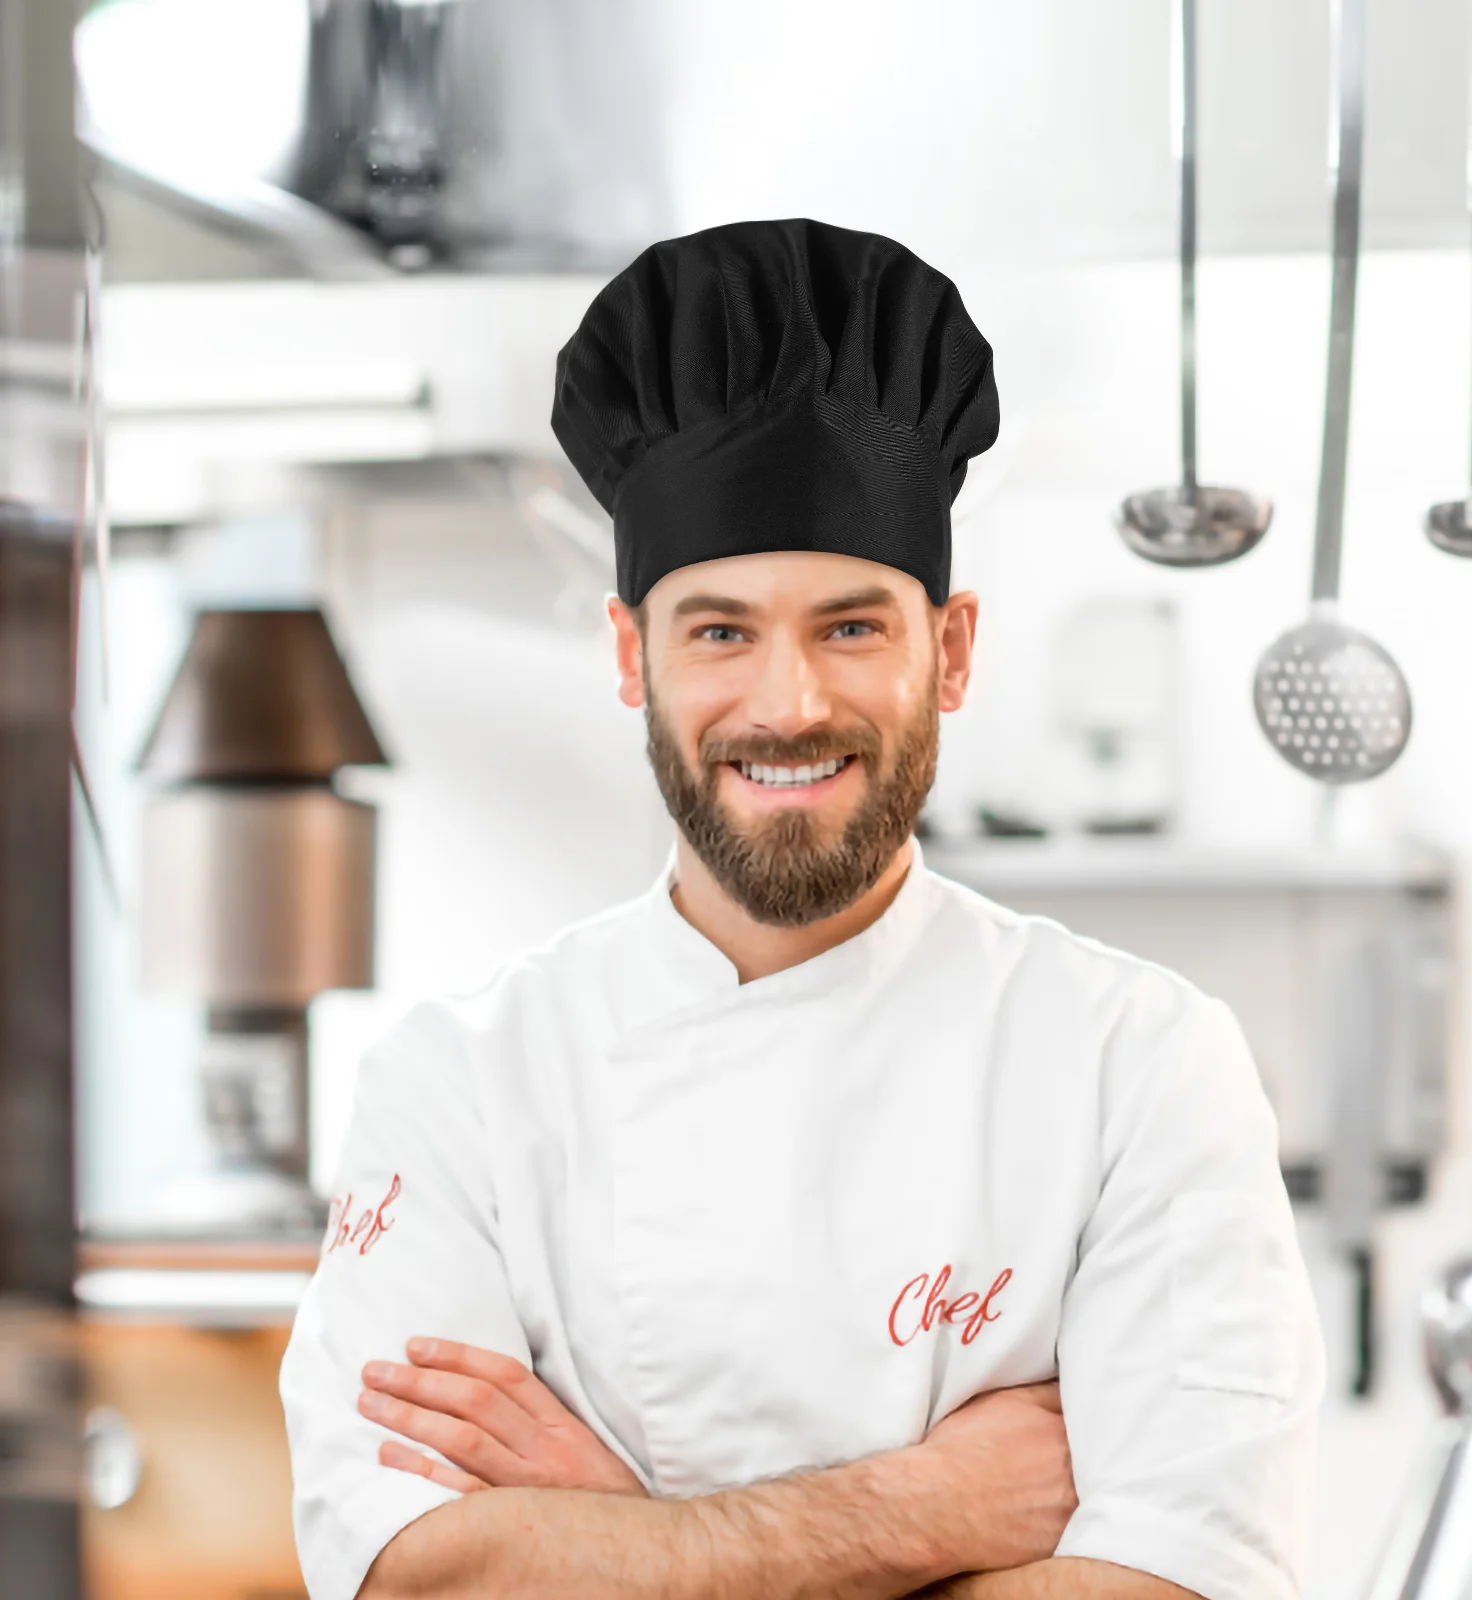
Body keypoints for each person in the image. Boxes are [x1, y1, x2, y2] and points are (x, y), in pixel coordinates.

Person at [280, 218, 1325, 1600]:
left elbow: (1177, 1587)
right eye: (720, 630)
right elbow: (426, 1581)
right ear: (629, 655)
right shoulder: (465, 1085)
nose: (788, 705)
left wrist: (630, 1535)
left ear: (948, 652)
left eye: (851, 626)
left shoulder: (1142, 1064)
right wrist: (926, 1511)